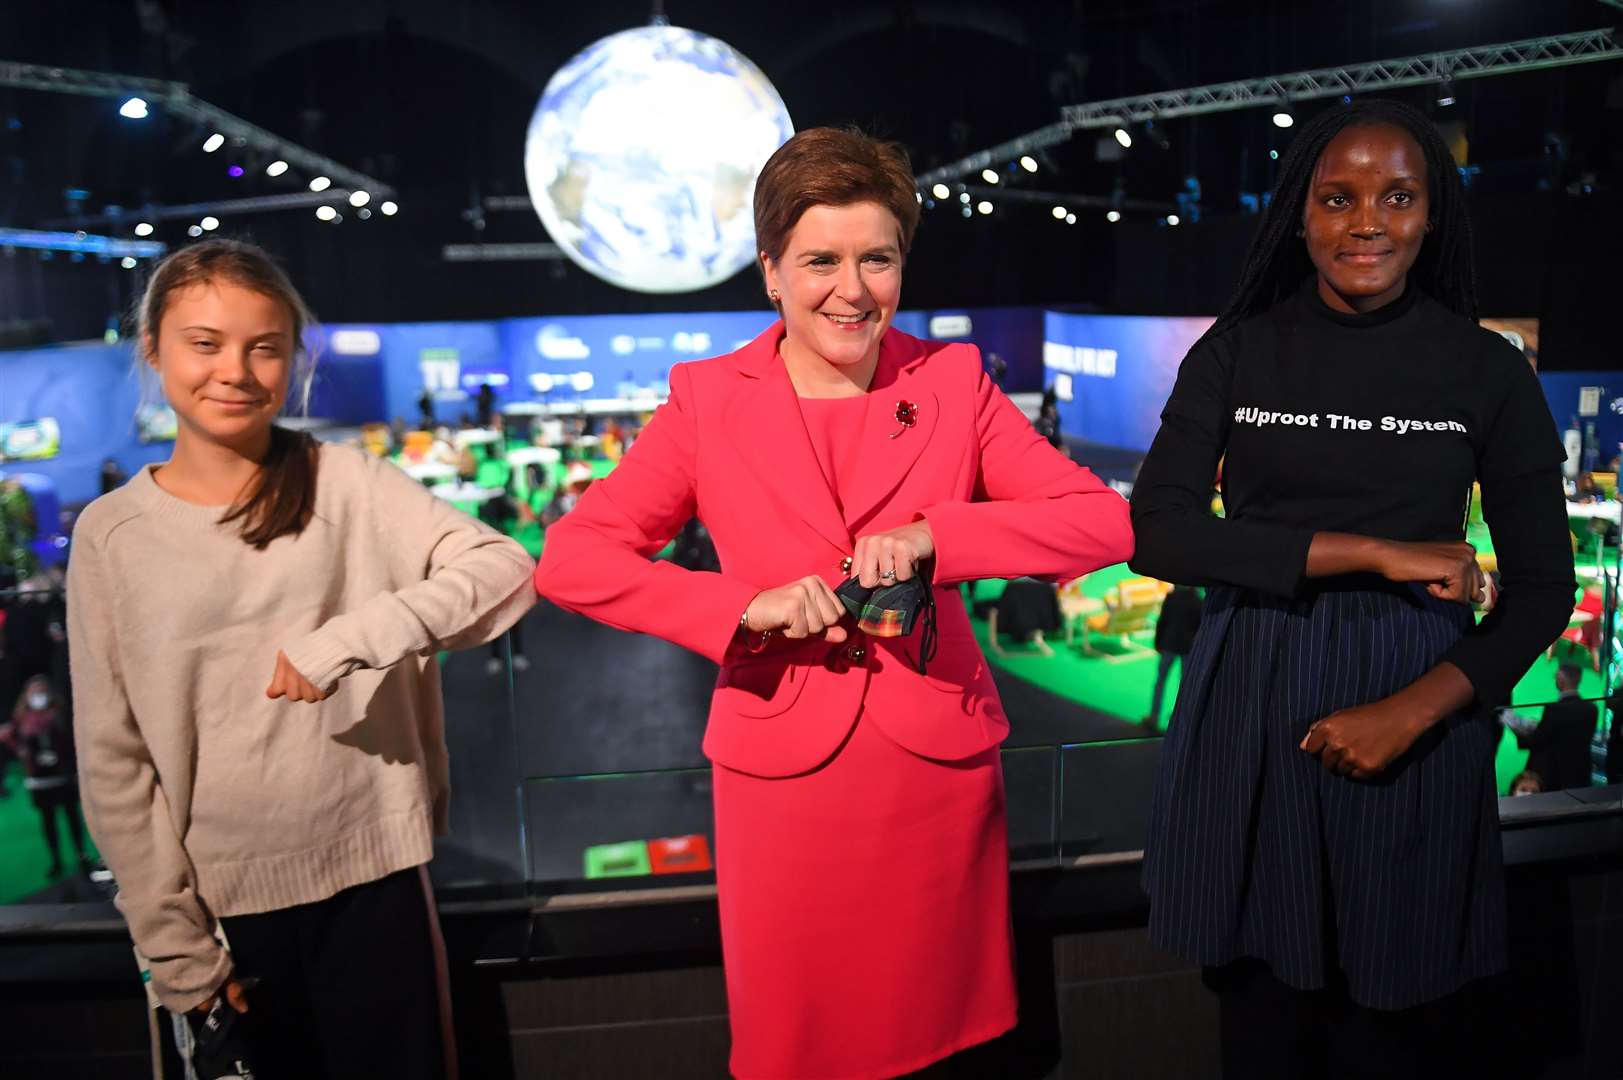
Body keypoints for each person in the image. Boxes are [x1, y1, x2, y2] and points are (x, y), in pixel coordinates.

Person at [534, 127, 1134, 1079]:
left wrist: (943, 535)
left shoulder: (951, 380)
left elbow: (1101, 523)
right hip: (785, 781)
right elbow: (572, 559)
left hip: (933, 780)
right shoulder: (705, 399)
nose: (850, 290)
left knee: (953, 1047)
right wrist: (740, 610)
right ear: (771, 270)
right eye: (820, 260)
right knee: (799, 1044)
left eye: (877, 259)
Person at [1129, 100, 1575, 1078]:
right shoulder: (1236, 351)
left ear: (1431, 217)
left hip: (1416, 706)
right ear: (1301, 214)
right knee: (1262, 1020)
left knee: (1398, 1026)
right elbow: (1158, 534)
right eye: (1338, 198)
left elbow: (1543, 589)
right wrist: (1377, 551)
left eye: (1397, 197)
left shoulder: (1486, 371)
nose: (1366, 220)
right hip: (1251, 694)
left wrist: (1413, 711)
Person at [68, 238, 535, 1079]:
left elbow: (504, 571)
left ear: (292, 357)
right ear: (154, 350)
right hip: (221, 914)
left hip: (377, 883)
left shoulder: (345, 482)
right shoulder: (113, 534)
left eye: (264, 346)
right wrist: (176, 951)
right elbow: (113, 757)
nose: (235, 371)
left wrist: (351, 641)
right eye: (204, 343)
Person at [1, 674, 89, 877]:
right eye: (34, 691)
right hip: (39, 778)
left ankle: (81, 855)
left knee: (72, 817)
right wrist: (21, 752)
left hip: (63, 775)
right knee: (48, 821)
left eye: (42, 691)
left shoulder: (61, 713)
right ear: (26, 695)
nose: (38, 695)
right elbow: (11, 739)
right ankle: (56, 860)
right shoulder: (21, 718)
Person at [1505, 665, 1597, 791]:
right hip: (1580, 775)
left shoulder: (1554, 710)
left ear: (1561, 678)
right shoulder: (1591, 709)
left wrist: (1516, 728)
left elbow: (1538, 740)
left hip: (1554, 777)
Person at [1145, 584, 1202, 729]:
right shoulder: (1197, 601)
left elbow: (1162, 621)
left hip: (1169, 644)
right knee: (1185, 686)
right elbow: (1199, 628)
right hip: (1187, 648)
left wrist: (1158, 643)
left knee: (1160, 682)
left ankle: (1153, 716)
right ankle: (1180, 720)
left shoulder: (1171, 598)